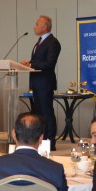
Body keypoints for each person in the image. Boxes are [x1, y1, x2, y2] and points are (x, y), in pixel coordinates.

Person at [21, 15, 61, 145]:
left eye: (37, 24)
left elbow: (49, 63)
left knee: (46, 113)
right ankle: (41, 140)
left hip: (45, 84)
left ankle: (50, 142)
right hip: (36, 83)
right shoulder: (40, 41)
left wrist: (31, 64)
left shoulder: (53, 42)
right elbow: (39, 61)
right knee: (38, 114)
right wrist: (28, 63)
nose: (34, 27)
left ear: (45, 27)